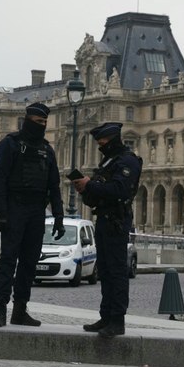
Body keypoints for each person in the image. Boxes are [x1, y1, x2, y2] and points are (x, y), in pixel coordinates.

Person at [0, 102, 65, 327]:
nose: (41, 125)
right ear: (28, 119)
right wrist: (1, 213)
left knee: (29, 263)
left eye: (44, 123)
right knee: (8, 260)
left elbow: (54, 186)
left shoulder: (47, 150)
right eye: (38, 122)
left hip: (36, 211)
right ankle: (0, 308)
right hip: (15, 208)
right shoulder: (10, 144)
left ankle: (20, 308)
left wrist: (59, 216)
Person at [73, 122, 143, 338]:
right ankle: (105, 316)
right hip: (103, 218)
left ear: (113, 139)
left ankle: (117, 319)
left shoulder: (127, 161)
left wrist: (90, 184)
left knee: (116, 271)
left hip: (117, 220)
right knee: (104, 269)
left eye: (102, 142)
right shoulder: (109, 161)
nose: (100, 146)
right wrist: (85, 189)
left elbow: (119, 189)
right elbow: (99, 192)